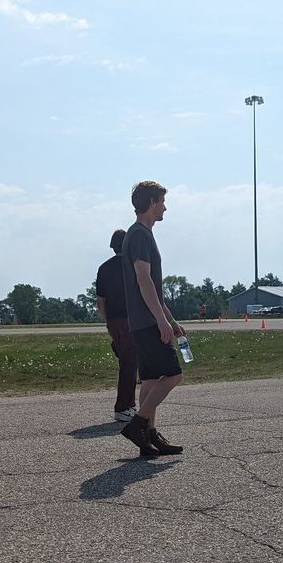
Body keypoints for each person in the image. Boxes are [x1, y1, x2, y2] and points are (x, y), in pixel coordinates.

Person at [119, 181, 185, 459]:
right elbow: (143, 279)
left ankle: (149, 435)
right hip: (147, 321)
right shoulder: (140, 236)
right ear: (151, 203)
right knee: (173, 374)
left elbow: (153, 288)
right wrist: (160, 321)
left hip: (144, 320)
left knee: (149, 379)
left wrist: (171, 318)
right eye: (162, 202)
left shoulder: (139, 235)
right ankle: (139, 424)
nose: (165, 208)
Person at [95, 228, 138, 422]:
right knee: (129, 365)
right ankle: (123, 407)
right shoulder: (132, 266)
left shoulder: (103, 268)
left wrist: (107, 321)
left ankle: (129, 404)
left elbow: (100, 300)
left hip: (113, 320)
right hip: (130, 320)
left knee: (128, 362)